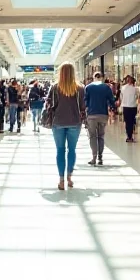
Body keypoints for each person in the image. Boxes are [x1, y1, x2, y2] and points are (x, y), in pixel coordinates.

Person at [48, 62, 86, 190]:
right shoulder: (80, 88)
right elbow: (83, 107)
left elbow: (49, 104)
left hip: (58, 122)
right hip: (75, 122)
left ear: (61, 73)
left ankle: (61, 180)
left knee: (60, 150)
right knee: (72, 150)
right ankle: (69, 176)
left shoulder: (55, 87)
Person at [84, 71, 115, 166]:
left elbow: (85, 101)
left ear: (93, 77)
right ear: (101, 77)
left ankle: (94, 157)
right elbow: (111, 100)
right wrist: (112, 109)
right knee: (101, 136)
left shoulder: (88, 87)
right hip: (103, 115)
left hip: (92, 115)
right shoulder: (106, 87)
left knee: (92, 136)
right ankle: (100, 157)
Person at [121, 75, 138, 143]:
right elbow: (137, 96)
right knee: (132, 121)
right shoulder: (135, 89)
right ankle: (131, 135)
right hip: (133, 106)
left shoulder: (123, 88)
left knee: (127, 121)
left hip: (125, 107)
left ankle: (129, 136)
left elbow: (121, 97)